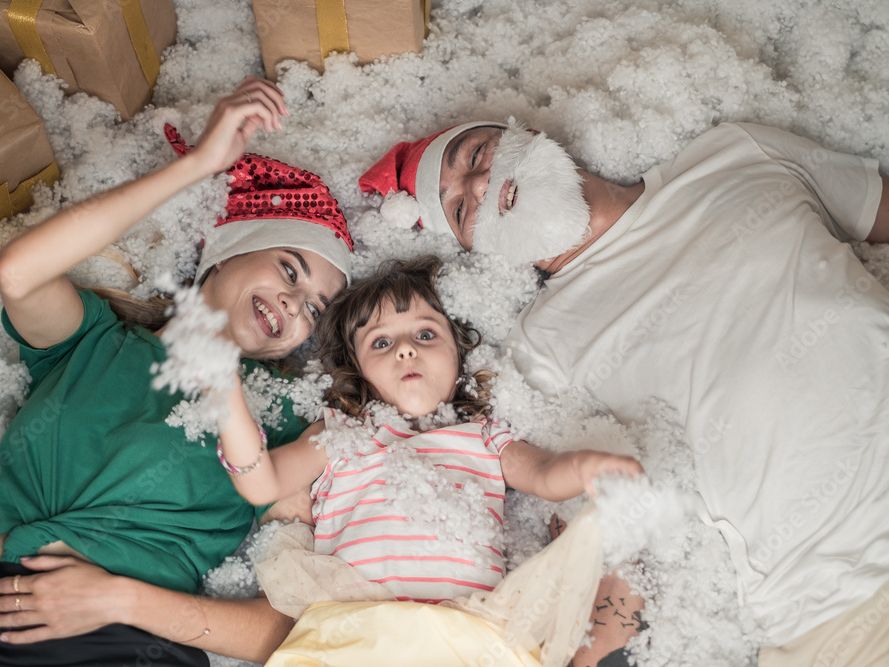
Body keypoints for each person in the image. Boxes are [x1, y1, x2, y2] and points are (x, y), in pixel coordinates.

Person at [360, 120, 889, 665]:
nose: (476, 187)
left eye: (477, 155)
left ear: (534, 133)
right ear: (482, 249)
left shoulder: (735, 154)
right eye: (461, 211)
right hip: (838, 604)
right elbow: (607, 526)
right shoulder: (536, 349)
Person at [0, 77, 355, 666]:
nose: (296, 305)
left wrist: (121, 600)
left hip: (132, 645)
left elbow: (282, 630)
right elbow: (20, 273)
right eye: (290, 270)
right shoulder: (93, 341)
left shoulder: (282, 419)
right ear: (225, 252)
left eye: (316, 310)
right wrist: (198, 166)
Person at [215, 255, 646, 667]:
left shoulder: (484, 436)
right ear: (358, 368)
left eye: (424, 335)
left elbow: (544, 475)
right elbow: (262, 483)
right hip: (356, 635)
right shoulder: (341, 432)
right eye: (381, 342)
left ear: (459, 352)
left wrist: (587, 469)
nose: (405, 350)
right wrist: (225, 393)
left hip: (468, 639)